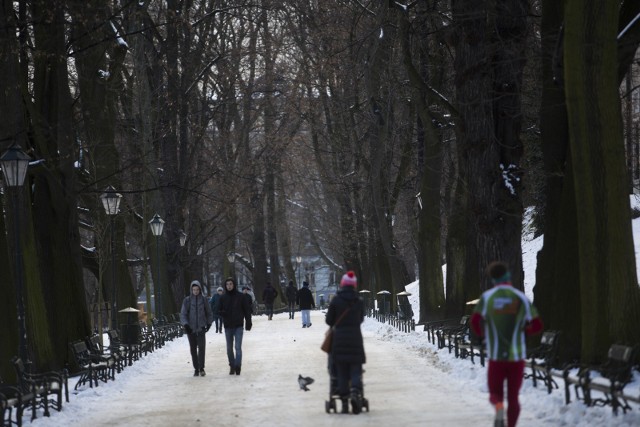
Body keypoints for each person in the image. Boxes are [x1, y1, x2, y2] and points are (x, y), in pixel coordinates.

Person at [470, 261, 543, 427]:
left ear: (492, 278)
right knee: (513, 397)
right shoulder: (520, 297)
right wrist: (524, 331)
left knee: (495, 393)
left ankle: (498, 406)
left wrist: (483, 336)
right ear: (508, 275)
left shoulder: (487, 298)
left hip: (496, 356)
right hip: (516, 356)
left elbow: (474, 321)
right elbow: (538, 325)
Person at [325, 271, 366, 414]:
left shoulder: (336, 300)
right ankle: (355, 391)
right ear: (354, 285)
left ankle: (343, 400)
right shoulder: (359, 301)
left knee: (341, 370)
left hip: (339, 339)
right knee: (355, 368)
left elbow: (329, 320)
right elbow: (361, 319)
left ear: (342, 284)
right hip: (355, 338)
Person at [217, 277, 252, 375]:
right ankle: (232, 365)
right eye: (227, 284)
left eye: (231, 284)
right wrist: (222, 313)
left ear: (234, 285)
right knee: (229, 348)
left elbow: (247, 310)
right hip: (228, 326)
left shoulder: (241, 297)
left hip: (238, 325)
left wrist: (248, 322)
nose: (229, 286)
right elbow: (218, 310)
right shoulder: (223, 298)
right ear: (225, 286)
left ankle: (238, 366)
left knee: (238, 347)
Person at [180, 280, 214, 377]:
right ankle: (196, 368)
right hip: (191, 329)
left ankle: (201, 367)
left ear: (200, 289)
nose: (195, 291)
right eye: (194, 289)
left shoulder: (204, 300)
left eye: (197, 289)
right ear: (191, 290)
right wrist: (186, 325)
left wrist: (209, 323)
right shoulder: (187, 300)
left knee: (202, 348)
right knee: (193, 349)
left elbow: (209, 312)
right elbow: (183, 314)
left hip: (201, 328)